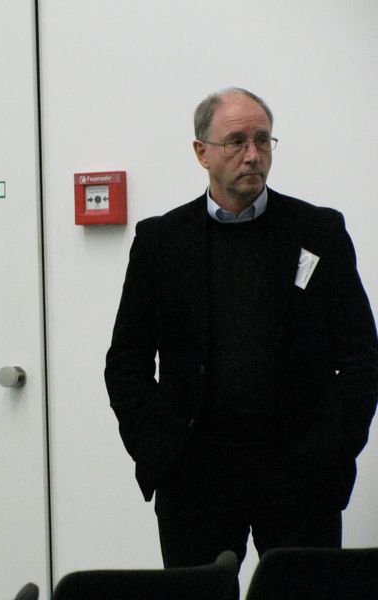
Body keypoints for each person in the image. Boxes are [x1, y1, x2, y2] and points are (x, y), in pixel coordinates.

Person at [104, 87, 378, 597]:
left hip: (299, 473)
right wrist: (162, 453)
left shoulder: (318, 231)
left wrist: (335, 448)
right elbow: (126, 364)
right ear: (201, 152)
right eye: (236, 142)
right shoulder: (162, 242)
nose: (253, 155)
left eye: (262, 140)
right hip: (196, 476)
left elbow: (362, 355)